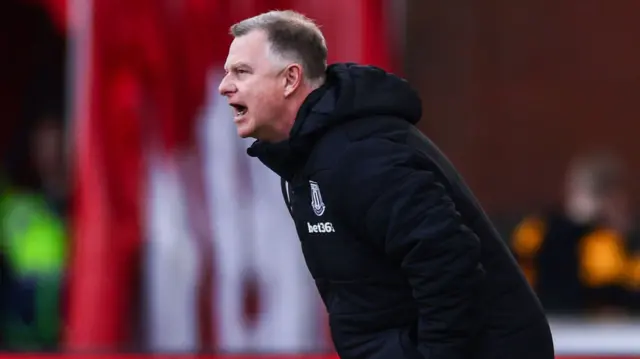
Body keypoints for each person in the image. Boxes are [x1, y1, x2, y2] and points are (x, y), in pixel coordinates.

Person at [218, 10, 554, 359]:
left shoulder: (362, 155)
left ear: (290, 79)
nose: (224, 86)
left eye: (242, 72)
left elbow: (449, 265)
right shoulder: (307, 158)